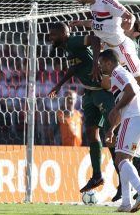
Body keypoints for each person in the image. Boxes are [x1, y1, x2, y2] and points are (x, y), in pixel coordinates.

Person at [47, 22, 115, 193]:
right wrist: (59, 85)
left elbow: (94, 39)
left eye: (53, 34)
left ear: (63, 33)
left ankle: (133, 172)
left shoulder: (74, 41)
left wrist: (94, 65)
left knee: (111, 134)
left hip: (101, 91)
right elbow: (75, 67)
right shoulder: (66, 48)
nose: (50, 37)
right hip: (90, 93)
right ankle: (97, 175)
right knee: (92, 133)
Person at [98, 49, 140, 212]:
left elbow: (131, 92)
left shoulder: (117, 73)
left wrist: (115, 109)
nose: (100, 67)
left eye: (101, 64)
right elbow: (126, 102)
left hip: (134, 119)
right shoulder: (120, 77)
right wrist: (112, 130)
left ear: (109, 62)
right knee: (123, 160)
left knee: (121, 159)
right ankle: (126, 203)